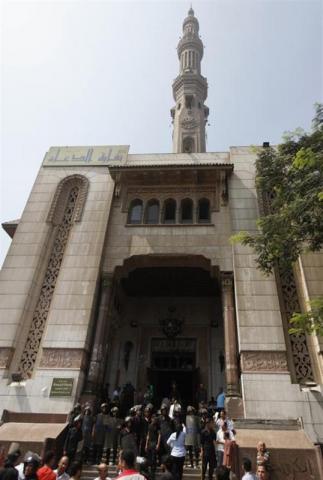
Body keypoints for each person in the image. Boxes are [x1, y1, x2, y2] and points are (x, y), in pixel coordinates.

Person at [145, 414, 160, 480]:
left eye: (155, 419)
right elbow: (148, 435)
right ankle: (150, 471)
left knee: (154, 457)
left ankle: (153, 472)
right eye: (153, 418)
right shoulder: (149, 425)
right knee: (149, 457)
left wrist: (158, 444)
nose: (154, 420)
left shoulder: (157, 426)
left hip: (154, 442)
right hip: (149, 443)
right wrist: (146, 444)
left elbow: (159, 435)